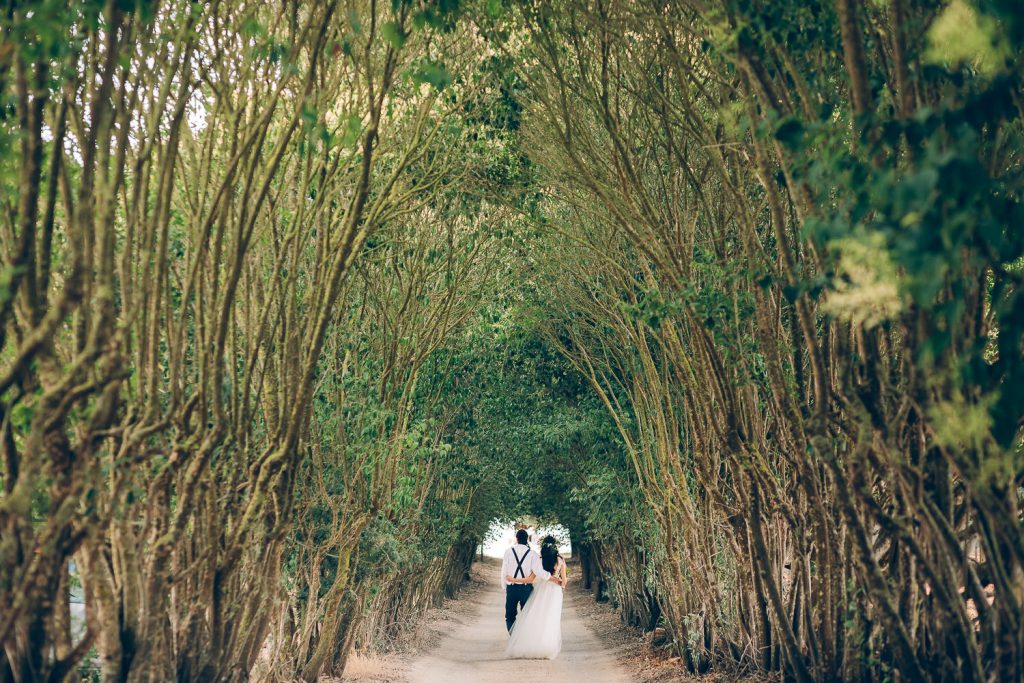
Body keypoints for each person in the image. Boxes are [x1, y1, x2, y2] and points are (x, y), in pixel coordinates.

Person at [505, 535, 567, 659]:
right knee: (550, 619)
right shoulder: (560, 561)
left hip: (541, 589)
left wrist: (513, 579)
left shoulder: (540, 559)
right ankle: (546, 649)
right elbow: (564, 583)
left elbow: (530, 579)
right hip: (555, 592)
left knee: (536, 616)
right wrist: (559, 581)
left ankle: (528, 643)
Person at [501, 528, 559, 632]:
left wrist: (505, 586)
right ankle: (521, 638)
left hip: (512, 588)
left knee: (509, 616)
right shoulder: (532, 554)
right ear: (527, 539)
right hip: (526, 589)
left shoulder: (508, 552)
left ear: (517, 539)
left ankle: (514, 637)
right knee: (526, 616)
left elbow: (504, 572)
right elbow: (540, 572)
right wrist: (553, 578)